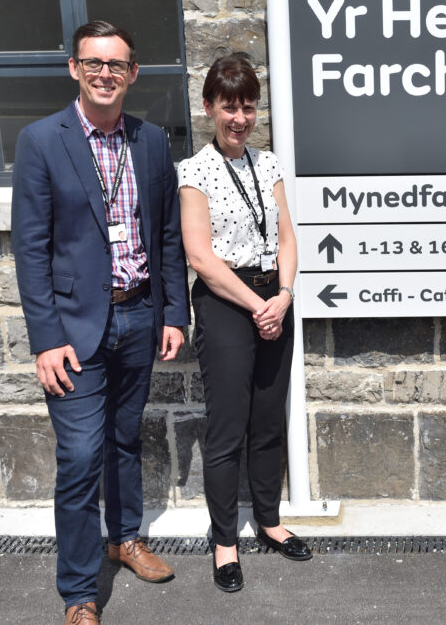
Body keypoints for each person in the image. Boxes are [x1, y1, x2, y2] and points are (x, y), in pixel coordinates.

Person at [11, 20, 189, 624]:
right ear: (74, 69)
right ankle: (80, 592)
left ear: (133, 73)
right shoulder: (41, 140)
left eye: (116, 64)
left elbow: (166, 234)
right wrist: (46, 339)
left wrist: (173, 313)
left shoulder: (151, 141)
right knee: (82, 455)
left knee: (123, 438)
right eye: (94, 63)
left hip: (140, 314)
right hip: (74, 329)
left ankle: (126, 538)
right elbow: (31, 250)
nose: (105, 74)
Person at [178, 53, 311, 593]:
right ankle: (225, 541)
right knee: (228, 427)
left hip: (273, 298)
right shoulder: (193, 172)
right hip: (226, 302)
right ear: (210, 107)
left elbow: (286, 239)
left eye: (249, 107)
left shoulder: (270, 164)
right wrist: (256, 306)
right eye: (229, 107)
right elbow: (201, 257)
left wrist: (281, 295)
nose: (240, 118)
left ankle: (270, 521)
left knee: (268, 420)